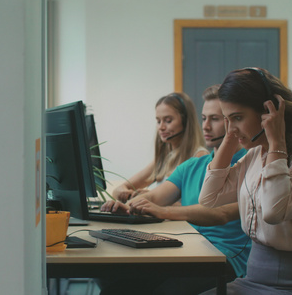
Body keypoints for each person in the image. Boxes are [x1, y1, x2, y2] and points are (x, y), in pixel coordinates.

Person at [199, 68, 292, 294]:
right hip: (252, 279)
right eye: (227, 119)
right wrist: (231, 139)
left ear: (268, 111)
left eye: (238, 118)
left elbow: (274, 212)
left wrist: (277, 144)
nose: (230, 128)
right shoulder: (257, 153)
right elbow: (209, 198)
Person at [99, 85, 250, 294]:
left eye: (215, 119)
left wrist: (165, 211)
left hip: (225, 258)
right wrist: (126, 206)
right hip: (188, 251)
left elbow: (220, 213)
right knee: (116, 289)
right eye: (204, 118)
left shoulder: (248, 165)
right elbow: (154, 197)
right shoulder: (191, 166)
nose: (206, 126)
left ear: (233, 122)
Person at [113, 92, 209, 202]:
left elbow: (194, 204)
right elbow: (117, 190)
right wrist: (127, 194)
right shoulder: (163, 159)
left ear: (186, 121)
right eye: (158, 121)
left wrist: (151, 197)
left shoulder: (199, 156)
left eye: (168, 121)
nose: (161, 127)